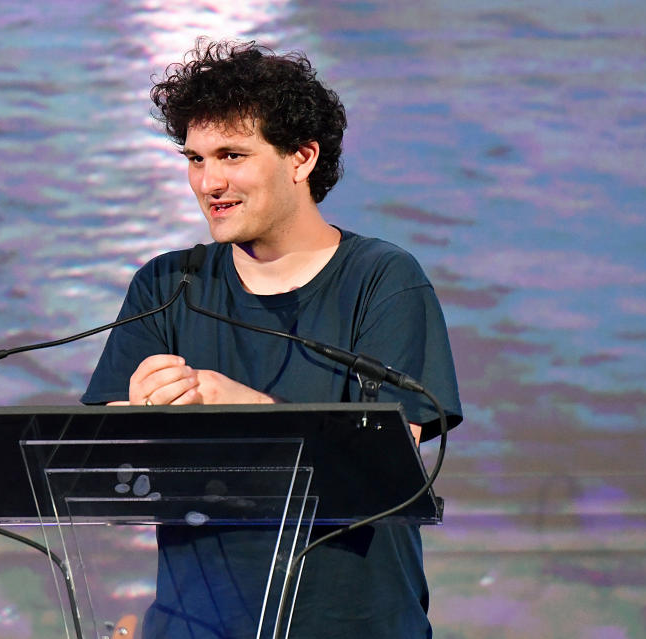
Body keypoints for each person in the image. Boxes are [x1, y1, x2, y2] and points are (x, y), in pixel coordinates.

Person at [82, 39, 462, 638]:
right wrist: (135, 416)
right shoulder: (166, 284)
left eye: (232, 155)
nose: (209, 182)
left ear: (301, 158)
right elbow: (106, 477)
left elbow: (389, 471)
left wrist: (237, 408)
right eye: (196, 158)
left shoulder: (384, 280)